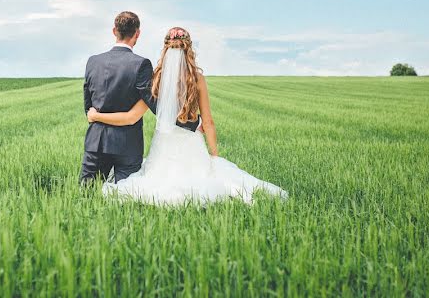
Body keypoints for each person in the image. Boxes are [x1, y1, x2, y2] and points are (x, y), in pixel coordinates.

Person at [87, 26, 287, 205]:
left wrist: (96, 115)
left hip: (163, 143)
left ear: (166, 49)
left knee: (154, 179)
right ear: (188, 49)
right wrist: (214, 154)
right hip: (191, 144)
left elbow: (135, 114)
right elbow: (208, 121)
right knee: (205, 178)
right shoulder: (196, 79)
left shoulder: (156, 79)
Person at [79, 11, 157, 183]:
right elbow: (155, 104)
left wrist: (97, 116)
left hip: (96, 142)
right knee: (126, 200)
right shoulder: (141, 64)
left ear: (114, 31)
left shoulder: (93, 61)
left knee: (86, 198)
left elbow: (88, 106)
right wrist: (193, 123)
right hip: (127, 145)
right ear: (137, 33)